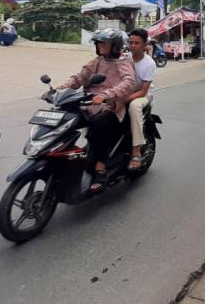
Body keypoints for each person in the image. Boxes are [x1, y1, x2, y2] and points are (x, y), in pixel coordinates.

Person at [51, 29, 136, 193]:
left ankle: (100, 167)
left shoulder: (123, 62)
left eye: (104, 43)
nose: (100, 46)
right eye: (99, 43)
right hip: (88, 103)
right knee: (65, 118)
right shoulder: (97, 61)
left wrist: (107, 94)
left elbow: (129, 82)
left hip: (111, 106)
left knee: (98, 125)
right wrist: (57, 90)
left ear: (115, 46)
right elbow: (78, 78)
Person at [125, 29, 155, 171]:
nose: (133, 45)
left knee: (133, 106)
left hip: (143, 95)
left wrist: (123, 100)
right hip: (126, 92)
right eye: (131, 42)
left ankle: (136, 150)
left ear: (144, 45)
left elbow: (143, 91)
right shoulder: (124, 58)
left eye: (137, 43)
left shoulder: (149, 63)